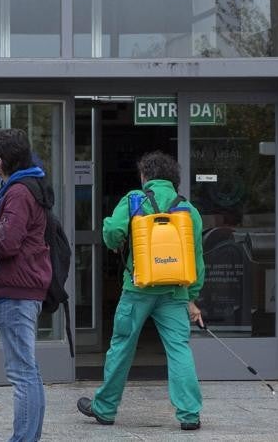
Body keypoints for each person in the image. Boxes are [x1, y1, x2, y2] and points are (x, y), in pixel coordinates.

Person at [77, 150, 205, 431]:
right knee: (179, 350)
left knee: (122, 346)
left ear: (145, 176)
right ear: (173, 179)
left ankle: (105, 408)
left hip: (138, 287)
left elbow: (112, 231)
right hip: (174, 291)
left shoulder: (135, 200)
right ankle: (189, 414)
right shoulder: (189, 210)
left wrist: (115, 239)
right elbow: (197, 259)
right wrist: (192, 297)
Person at [0, 129, 52, 442]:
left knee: (21, 372)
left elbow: (6, 244)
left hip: (15, 289)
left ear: (1, 161)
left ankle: (23, 439)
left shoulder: (19, 192)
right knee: (29, 370)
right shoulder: (27, 185)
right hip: (26, 286)